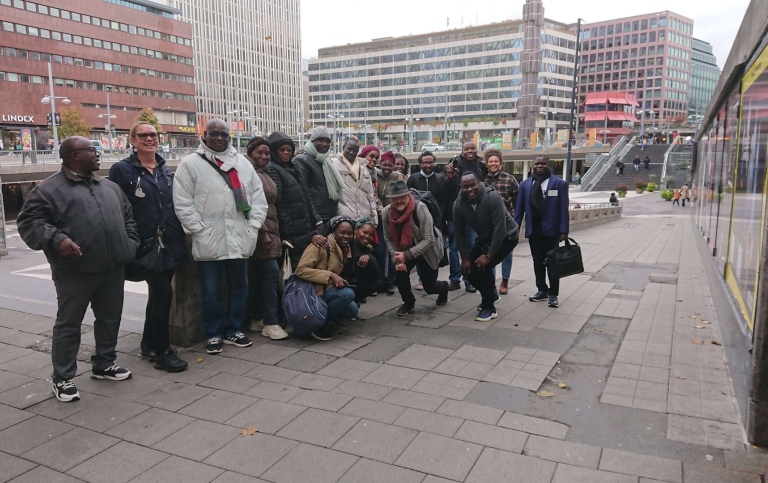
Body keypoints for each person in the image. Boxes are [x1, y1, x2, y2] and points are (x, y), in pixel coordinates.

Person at [17, 136, 139, 402]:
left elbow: (128, 217)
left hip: (112, 267)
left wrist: (129, 244)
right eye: (92, 150)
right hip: (74, 272)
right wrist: (57, 238)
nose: (98, 154)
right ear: (74, 155)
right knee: (69, 325)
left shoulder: (109, 187)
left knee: (110, 318)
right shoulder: (48, 190)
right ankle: (62, 378)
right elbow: (29, 222)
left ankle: (104, 364)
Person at [174, 119, 268, 355]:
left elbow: (258, 196)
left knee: (240, 287)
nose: (219, 138)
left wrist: (253, 225)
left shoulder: (242, 164)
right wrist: (198, 228)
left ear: (229, 137)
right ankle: (213, 333)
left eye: (224, 135)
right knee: (210, 290)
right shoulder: (190, 164)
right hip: (209, 238)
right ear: (205, 135)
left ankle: (234, 329)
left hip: (239, 235)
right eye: (214, 133)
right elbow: (182, 201)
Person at [108, 122, 188, 372]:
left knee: (158, 296)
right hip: (145, 244)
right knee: (163, 294)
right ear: (132, 140)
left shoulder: (164, 169)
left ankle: (149, 343)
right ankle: (162, 353)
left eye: (153, 135)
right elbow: (116, 207)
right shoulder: (122, 170)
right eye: (142, 135)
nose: (149, 139)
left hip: (169, 242)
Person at [454, 173, 519, 321]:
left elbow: (500, 229)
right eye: (466, 186)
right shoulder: (458, 204)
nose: (470, 189)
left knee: (484, 267)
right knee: (468, 270)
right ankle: (491, 295)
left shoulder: (492, 197)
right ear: (461, 187)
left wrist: (489, 256)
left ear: (479, 182)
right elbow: (459, 232)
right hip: (485, 237)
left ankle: (489, 307)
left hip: (507, 236)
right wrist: (464, 258)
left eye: (473, 185)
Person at [382, 180, 449, 316]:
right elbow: (388, 238)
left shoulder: (420, 208)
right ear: (391, 199)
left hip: (427, 249)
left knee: (429, 287)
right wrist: (397, 259)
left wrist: (407, 255)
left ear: (408, 195)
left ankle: (444, 288)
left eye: (402, 197)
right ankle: (408, 302)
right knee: (400, 273)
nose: (399, 201)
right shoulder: (386, 212)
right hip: (403, 247)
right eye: (395, 198)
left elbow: (429, 239)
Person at [245, 137, 289, 340]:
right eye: (259, 153)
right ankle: (271, 323)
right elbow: (246, 205)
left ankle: (257, 318)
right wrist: (263, 232)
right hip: (260, 233)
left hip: (270, 231)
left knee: (258, 277)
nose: (264, 156)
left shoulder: (264, 173)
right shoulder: (247, 173)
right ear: (250, 153)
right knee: (271, 275)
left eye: (266, 153)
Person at [514, 155, 569, 308]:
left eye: (543, 163)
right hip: (534, 231)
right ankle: (541, 290)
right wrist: (515, 229)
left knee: (552, 263)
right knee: (537, 262)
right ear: (532, 165)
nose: (540, 166)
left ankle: (553, 294)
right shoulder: (525, 185)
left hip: (552, 231)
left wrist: (564, 230)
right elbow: (519, 209)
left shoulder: (559, 184)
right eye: (537, 163)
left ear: (548, 165)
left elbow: (564, 209)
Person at [295, 216, 359, 340]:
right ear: (334, 231)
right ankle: (316, 325)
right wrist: (330, 275)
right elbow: (300, 270)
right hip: (312, 291)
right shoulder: (320, 245)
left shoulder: (346, 249)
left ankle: (326, 317)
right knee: (347, 294)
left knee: (352, 310)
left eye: (349, 233)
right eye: (342, 232)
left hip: (327, 288)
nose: (346, 236)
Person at [268, 131, 325, 270]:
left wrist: (316, 219)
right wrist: (289, 234)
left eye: (289, 150)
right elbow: (279, 203)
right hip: (292, 233)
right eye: (282, 150)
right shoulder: (273, 169)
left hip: (304, 226)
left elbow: (306, 197)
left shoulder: (292, 168)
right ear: (274, 151)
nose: (286, 153)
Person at [443, 141, 487, 293]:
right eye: (466, 148)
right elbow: (445, 189)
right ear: (462, 151)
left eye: (472, 148)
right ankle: (455, 279)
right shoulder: (454, 164)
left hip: (475, 214)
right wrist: (449, 177)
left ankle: (469, 279)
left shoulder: (481, 166)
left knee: (472, 246)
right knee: (454, 248)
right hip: (455, 213)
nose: (470, 151)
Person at [294, 126, 345, 230]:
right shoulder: (302, 160)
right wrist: (316, 219)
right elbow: (304, 193)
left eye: (327, 141)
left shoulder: (327, 161)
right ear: (312, 141)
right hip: (315, 220)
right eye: (320, 140)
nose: (324, 144)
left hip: (331, 216)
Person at [483, 149, 519, 295]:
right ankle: (491, 282)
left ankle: (504, 281)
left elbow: (517, 202)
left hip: (506, 224)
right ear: (486, 164)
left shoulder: (510, 179)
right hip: (488, 224)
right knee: (489, 252)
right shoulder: (482, 180)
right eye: (490, 161)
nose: (493, 164)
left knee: (506, 253)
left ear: (501, 164)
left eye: (496, 161)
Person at [376, 151, 405, 295]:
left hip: (392, 219)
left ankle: (390, 282)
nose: (387, 168)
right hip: (377, 219)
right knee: (380, 251)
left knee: (393, 251)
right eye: (384, 165)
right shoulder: (375, 175)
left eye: (390, 165)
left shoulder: (398, 178)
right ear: (380, 164)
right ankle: (381, 280)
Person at [334, 138, 378, 223]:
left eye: (355, 150)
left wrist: (374, 220)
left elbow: (370, 195)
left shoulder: (363, 167)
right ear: (343, 147)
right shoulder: (334, 165)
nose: (351, 152)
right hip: (344, 220)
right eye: (349, 149)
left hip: (364, 220)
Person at [348, 218, 383, 304]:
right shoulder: (349, 245)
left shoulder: (368, 249)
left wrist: (369, 258)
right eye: (365, 232)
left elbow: (377, 273)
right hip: (346, 282)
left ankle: (356, 299)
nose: (367, 236)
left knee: (378, 283)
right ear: (356, 231)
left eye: (371, 235)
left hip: (358, 281)